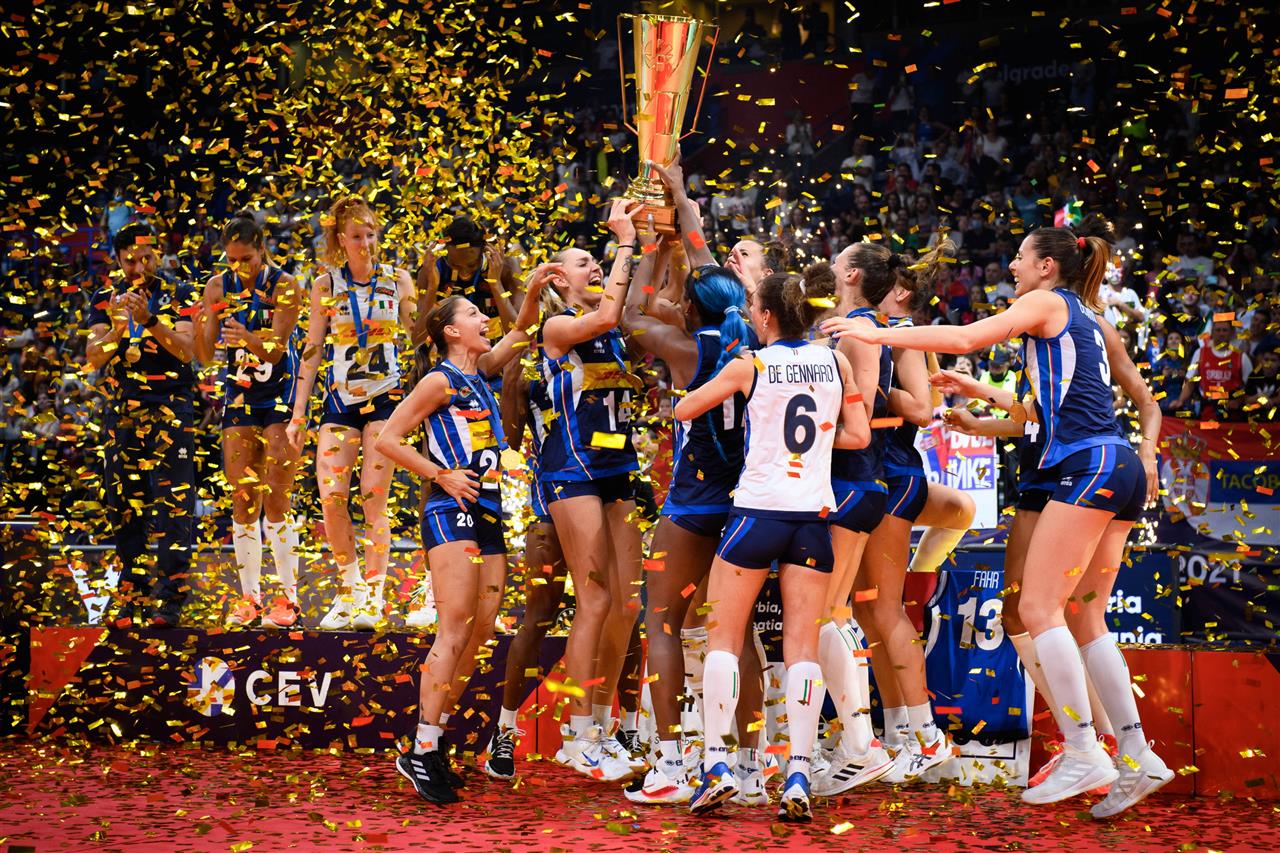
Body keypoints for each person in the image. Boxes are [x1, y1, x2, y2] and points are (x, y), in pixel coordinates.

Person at [823, 216, 1175, 817]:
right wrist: (981, 400)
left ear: (1047, 266)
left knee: (1036, 609)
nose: (1010, 265)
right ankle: (1138, 754)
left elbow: (966, 338)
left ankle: (1084, 749)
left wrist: (876, 333)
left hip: (1087, 464)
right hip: (1117, 465)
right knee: (1086, 620)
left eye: (1020, 256)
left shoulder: (1046, 302)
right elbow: (1041, 411)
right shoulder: (1087, 319)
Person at [676, 262, 871, 822]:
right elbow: (858, 435)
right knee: (802, 649)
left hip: (756, 513)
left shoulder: (750, 364)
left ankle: (718, 766)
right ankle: (799, 774)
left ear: (763, 316)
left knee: (722, 639)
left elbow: (686, 409)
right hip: (811, 517)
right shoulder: (835, 361)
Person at [376, 265, 555, 805]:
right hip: (450, 508)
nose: (483, 319)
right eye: (474, 314)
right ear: (452, 331)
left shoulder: (481, 373)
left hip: (491, 509)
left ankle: (433, 741)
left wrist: (528, 290)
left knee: (480, 632)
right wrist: (441, 474)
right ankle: (422, 748)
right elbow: (388, 439)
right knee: (454, 629)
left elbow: (521, 329)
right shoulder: (439, 380)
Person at [619, 233, 768, 806]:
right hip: (744, 504)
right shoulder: (756, 343)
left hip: (691, 503)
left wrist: (650, 249)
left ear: (690, 308)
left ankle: (671, 764)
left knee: (661, 624)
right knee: (738, 635)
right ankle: (751, 769)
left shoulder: (685, 349)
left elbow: (631, 314)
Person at [541, 199, 646, 782]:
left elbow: (634, 304)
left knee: (628, 605)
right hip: (572, 470)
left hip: (617, 466)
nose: (595, 266)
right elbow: (606, 317)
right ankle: (576, 735)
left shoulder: (615, 330)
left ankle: (602, 729)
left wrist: (657, 241)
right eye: (583, 262)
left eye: (596, 259)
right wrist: (625, 240)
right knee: (596, 599)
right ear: (559, 280)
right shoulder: (558, 327)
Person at [287, 197, 416, 630]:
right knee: (331, 496)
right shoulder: (325, 284)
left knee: (373, 496)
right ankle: (350, 589)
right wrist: (298, 414)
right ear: (341, 240)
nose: (365, 243)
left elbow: (417, 339)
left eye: (371, 234)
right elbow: (312, 349)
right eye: (356, 236)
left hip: (385, 396)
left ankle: (375, 595)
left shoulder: (398, 279)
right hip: (341, 399)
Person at [810, 242, 902, 796]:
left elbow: (860, 417)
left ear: (850, 274)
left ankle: (861, 745)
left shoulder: (859, 332)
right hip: (858, 483)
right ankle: (856, 743)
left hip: (851, 480)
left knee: (824, 614)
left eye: (836, 259)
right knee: (838, 612)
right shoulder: (854, 327)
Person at [85, 221, 197, 627]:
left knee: (174, 504)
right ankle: (132, 596)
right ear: (117, 260)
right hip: (123, 409)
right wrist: (118, 328)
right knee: (125, 505)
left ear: (159, 253)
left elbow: (187, 351)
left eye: (146, 258)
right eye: (130, 260)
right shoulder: (104, 298)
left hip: (172, 407)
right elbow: (95, 356)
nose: (139, 267)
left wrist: (149, 320)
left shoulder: (180, 292)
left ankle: (171, 599)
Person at [194, 211, 303, 628]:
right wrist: (203, 321)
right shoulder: (217, 286)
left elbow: (275, 350)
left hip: (280, 392)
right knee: (242, 496)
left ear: (262, 250)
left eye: (247, 260)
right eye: (232, 260)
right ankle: (250, 599)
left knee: (276, 495)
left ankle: (289, 599)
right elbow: (205, 355)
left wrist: (246, 337)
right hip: (239, 393)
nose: (239, 267)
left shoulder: (285, 285)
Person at [481, 331, 566, 780]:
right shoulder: (531, 367)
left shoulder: (608, 345)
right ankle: (505, 730)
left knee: (622, 612)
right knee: (538, 616)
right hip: (550, 500)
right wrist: (513, 379)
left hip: (609, 493)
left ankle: (627, 731)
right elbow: (511, 441)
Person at [415, 215, 521, 331]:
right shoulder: (431, 270)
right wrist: (432, 287)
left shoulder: (506, 267)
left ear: (485, 251)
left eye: (472, 265)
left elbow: (519, 335)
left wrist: (496, 284)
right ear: (444, 253)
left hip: (499, 342)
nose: (464, 273)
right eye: (455, 265)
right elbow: (419, 338)